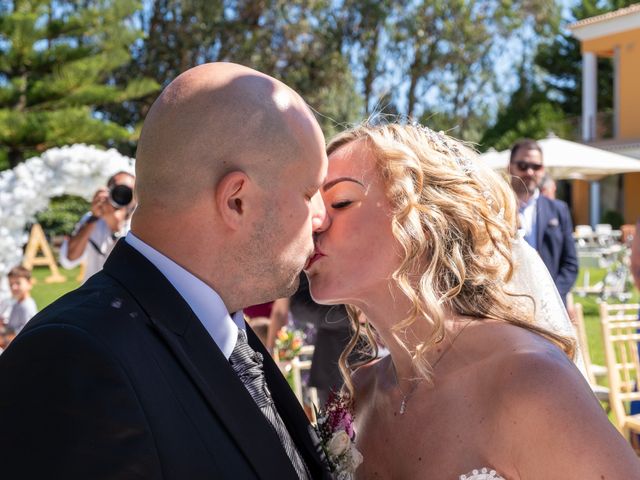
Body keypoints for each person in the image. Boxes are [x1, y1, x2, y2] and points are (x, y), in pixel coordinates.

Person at [0, 63, 331, 479]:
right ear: (236, 202)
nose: (320, 217)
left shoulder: (230, 335)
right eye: (308, 192)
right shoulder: (74, 362)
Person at [305, 122, 640, 479]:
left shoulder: (528, 381)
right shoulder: (362, 392)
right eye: (308, 202)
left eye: (340, 202)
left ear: (424, 217)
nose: (314, 221)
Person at [508, 139, 578, 304]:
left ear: (543, 170)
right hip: (508, 306)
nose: (530, 172)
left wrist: (553, 297)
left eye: (536, 167)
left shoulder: (559, 210)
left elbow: (570, 264)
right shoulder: (494, 208)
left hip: (551, 307)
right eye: (523, 166)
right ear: (510, 166)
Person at [59, 171, 136, 282]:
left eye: (128, 191)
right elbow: (69, 260)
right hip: (93, 294)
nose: (121, 195)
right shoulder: (92, 218)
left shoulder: (138, 224)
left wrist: (115, 225)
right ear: (107, 191)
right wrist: (94, 217)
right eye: (117, 189)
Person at [0, 266, 38, 347]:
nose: (14, 287)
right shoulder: (18, 303)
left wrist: (3, 338)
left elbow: (26, 334)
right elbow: (14, 326)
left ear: (29, 284)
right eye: (11, 285)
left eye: (18, 283)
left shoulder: (27, 306)